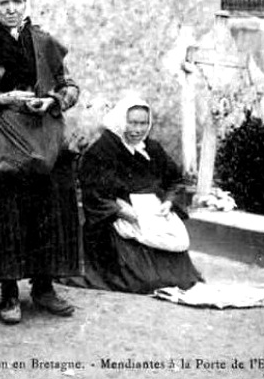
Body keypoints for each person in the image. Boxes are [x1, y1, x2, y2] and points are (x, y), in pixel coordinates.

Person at [0, 0, 81, 325]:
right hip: (0, 144)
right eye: (4, 3)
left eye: (17, 2)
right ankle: (9, 294)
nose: (11, 9)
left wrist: (51, 100)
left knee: (47, 214)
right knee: (6, 217)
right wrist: (1, 98)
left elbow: (70, 85)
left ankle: (44, 288)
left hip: (43, 142)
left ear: (26, 4)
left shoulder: (45, 43)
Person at [73, 93, 203, 293]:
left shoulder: (152, 148)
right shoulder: (102, 150)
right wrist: (120, 211)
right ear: (120, 121)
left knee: (182, 277)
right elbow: (92, 192)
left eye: (143, 123)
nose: (138, 130)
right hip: (117, 216)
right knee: (143, 279)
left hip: (154, 211)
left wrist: (168, 202)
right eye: (132, 123)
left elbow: (175, 181)